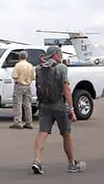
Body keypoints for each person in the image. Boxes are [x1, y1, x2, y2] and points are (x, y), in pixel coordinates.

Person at [32, 45, 86, 174]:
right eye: (60, 54)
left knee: (42, 133)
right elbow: (66, 89)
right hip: (60, 106)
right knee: (66, 134)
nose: (61, 56)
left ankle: (37, 161)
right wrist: (72, 108)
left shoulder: (39, 68)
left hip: (44, 105)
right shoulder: (61, 68)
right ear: (55, 55)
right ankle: (72, 163)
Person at [11, 50, 35, 130]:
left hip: (19, 86)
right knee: (27, 105)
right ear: (26, 57)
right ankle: (29, 123)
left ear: (19, 57)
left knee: (18, 104)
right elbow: (33, 77)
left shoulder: (18, 65)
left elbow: (14, 76)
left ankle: (18, 122)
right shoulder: (30, 65)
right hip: (28, 86)